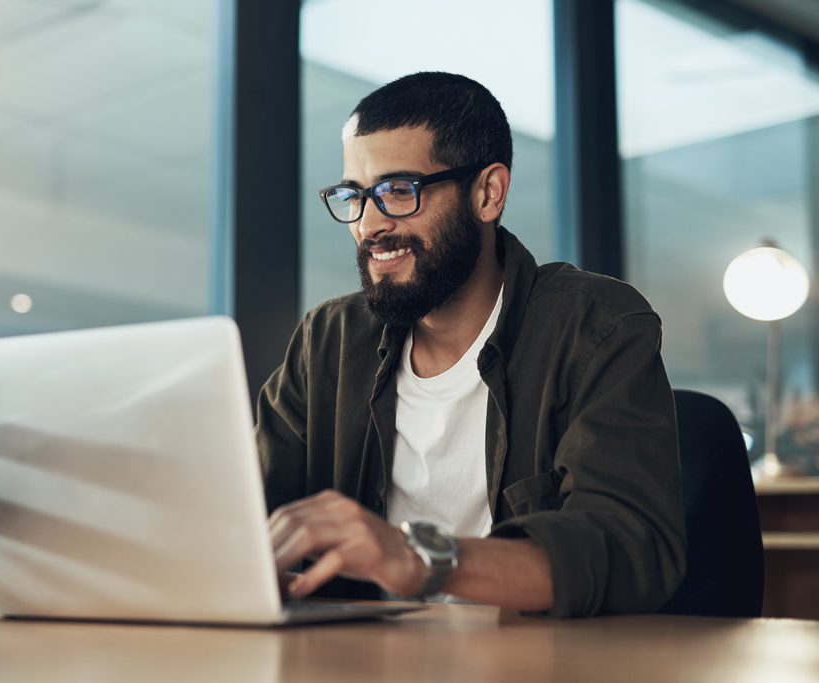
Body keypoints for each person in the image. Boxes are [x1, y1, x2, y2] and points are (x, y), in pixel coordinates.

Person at [256, 72, 686, 618]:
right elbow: (246, 512)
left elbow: (630, 548)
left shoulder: (596, 325)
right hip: (356, 662)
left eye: (398, 191)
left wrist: (421, 559)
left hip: (535, 665)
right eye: (354, 195)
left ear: (488, 193)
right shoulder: (329, 341)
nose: (368, 224)